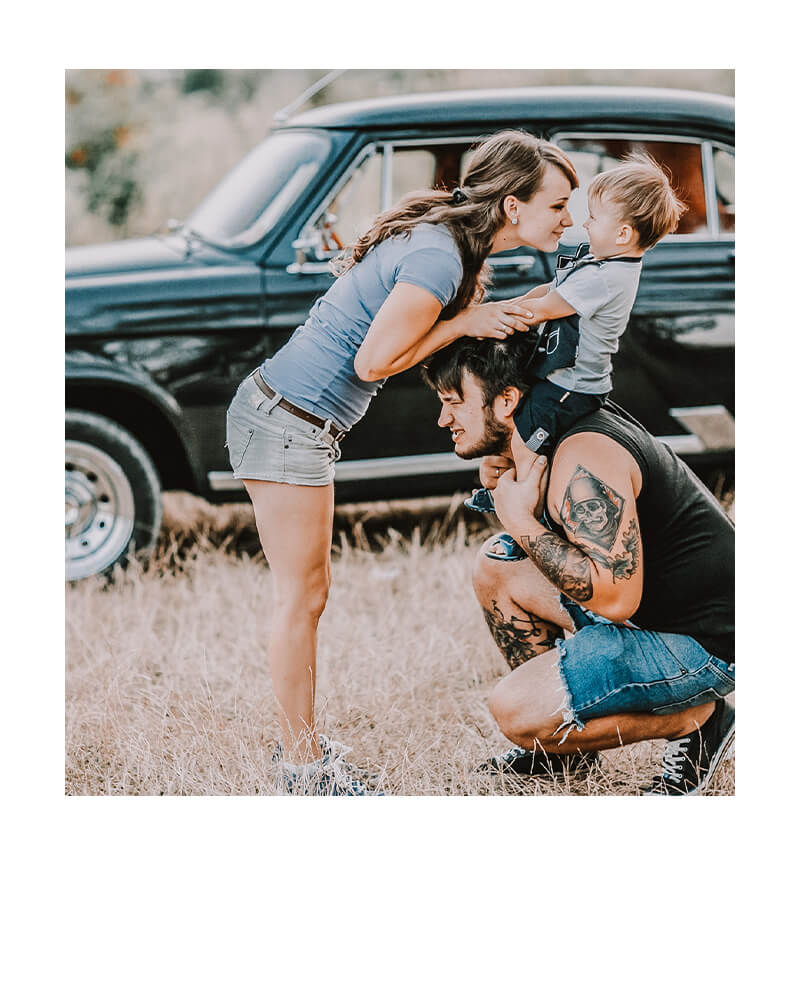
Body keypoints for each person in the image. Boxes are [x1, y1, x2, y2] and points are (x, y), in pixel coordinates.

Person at [225, 130, 579, 794]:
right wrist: (463, 324)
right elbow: (372, 362)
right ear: (512, 207)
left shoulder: (454, 253)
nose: (568, 219)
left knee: (307, 595)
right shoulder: (439, 258)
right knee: (300, 599)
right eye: (558, 205)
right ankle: (303, 771)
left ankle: (304, 755)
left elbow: (452, 356)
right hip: (284, 421)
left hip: (293, 418)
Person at [422, 335, 734, 795]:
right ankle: (567, 752)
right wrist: (510, 476)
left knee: (516, 710)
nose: (443, 418)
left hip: (707, 640)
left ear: (507, 400)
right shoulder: (542, 438)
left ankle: (698, 721)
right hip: (652, 613)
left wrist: (517, 517)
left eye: (454, 402)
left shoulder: (584, 455)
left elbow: (614, 596)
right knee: (498, 565)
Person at [466, 155, 687, 559]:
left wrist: (487, 320)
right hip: (560, 374)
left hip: (572, 385)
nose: (583, 223)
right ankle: (505, 491)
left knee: (530, 444)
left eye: (594, 218)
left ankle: (529, 526)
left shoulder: (607, 278)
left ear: (622, 233)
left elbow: (548, 308)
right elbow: (546, 291)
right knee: (515, 426)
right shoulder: (600, 262)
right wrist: (506, 305)